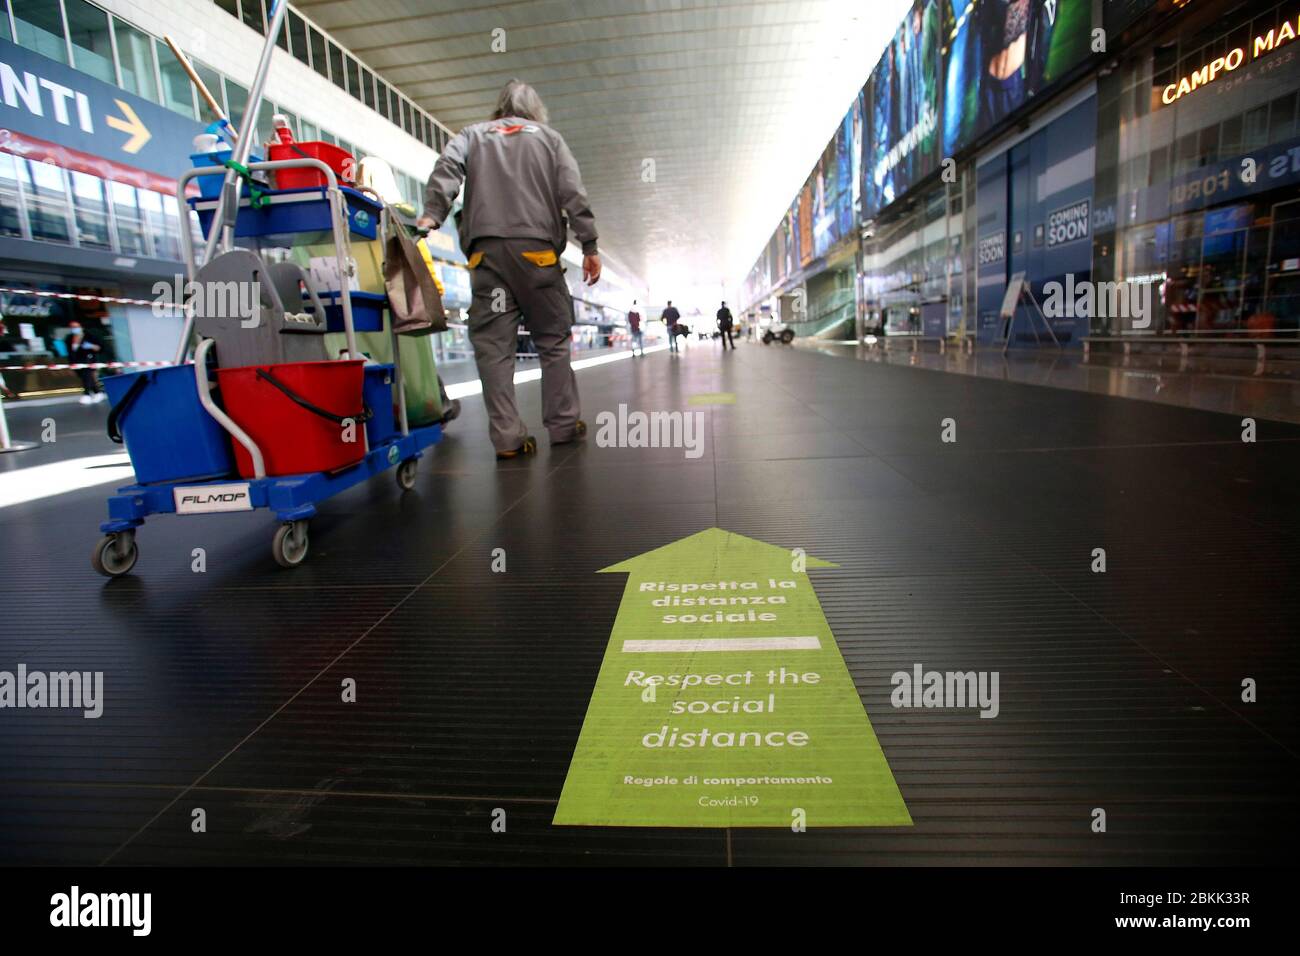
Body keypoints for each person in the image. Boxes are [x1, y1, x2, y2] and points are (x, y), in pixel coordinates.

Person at [417, 79, 600, 460]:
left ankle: (507, 439)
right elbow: (572, 192)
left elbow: (447, 166)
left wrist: (432, 214)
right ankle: (563, 425)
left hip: (488, 259)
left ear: (498, 108)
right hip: (537, 257)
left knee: (494, 348)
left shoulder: (473, 134)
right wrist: (589, 244)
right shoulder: (549, 138)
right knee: (551, 339)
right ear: (536, 111)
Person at [65, 322, 106, 404]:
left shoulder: (89, 336)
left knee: (87, 375)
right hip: (76, 361)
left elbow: (99, 347)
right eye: (73, 327)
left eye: (76, 327)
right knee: (86, 377)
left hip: (88, 360)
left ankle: (87, 393)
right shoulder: (69, 338)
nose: (74, 329)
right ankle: (97, 392)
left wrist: (91, 346)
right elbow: (70, 351)